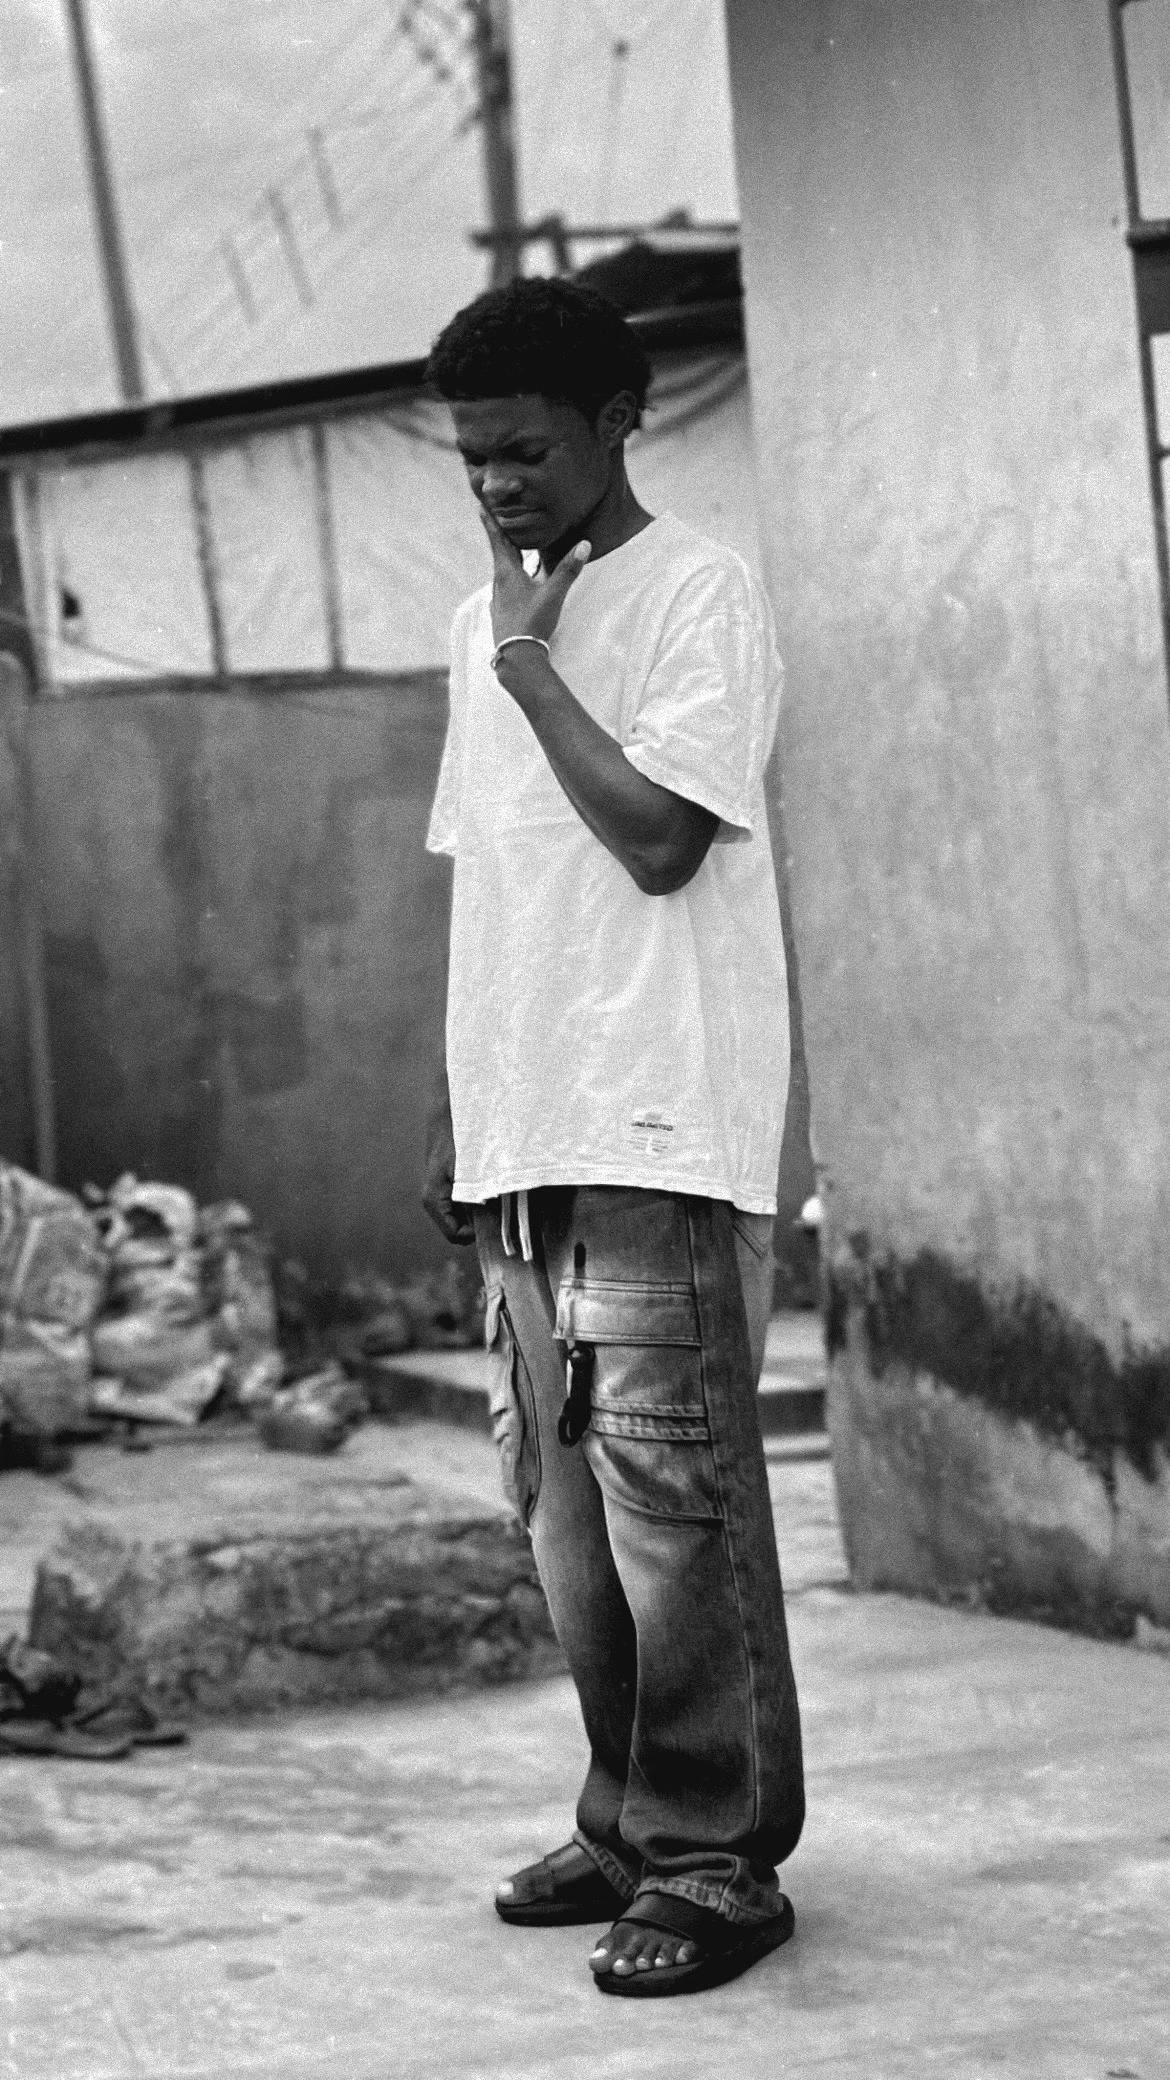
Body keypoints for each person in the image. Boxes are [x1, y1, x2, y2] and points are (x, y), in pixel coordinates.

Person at [421, 276, 804, 1999]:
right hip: (526, 1130)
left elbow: (656, 843)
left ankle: (720, 1859)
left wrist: (530, 666)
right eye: (471, 459)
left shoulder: (698, 593)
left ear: (613, 421)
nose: (494, 483)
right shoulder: (477, 622)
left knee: (673, 1508)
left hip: (656, 1118)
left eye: (521, 449)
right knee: (563, 1520)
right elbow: (494, 884)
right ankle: (629, 1821)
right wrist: (458, 1110)